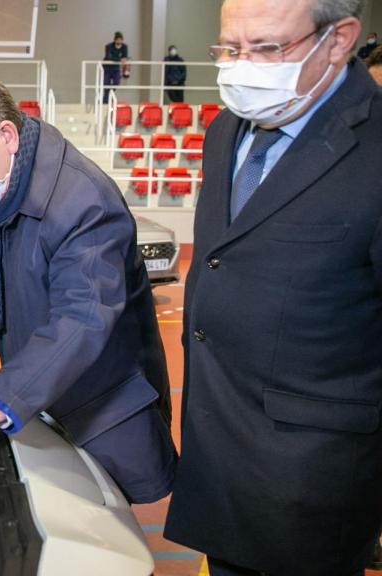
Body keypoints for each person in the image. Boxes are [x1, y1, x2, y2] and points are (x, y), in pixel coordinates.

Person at [163, 0, 382, 574]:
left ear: (338, 40)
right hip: (219, 452)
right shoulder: (225, 131)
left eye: (265, 49)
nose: (241, 68)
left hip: (314, 482)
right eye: (229, 50)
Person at [0, 72, 176, 505]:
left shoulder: (82, 202)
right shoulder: (13, 176)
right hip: (50, 391)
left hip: (103, 408)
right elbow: (4, 245)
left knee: (103, 536)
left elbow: (83, 318)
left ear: (6, 135)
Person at [102, 32, 129, 103]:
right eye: (117, 40)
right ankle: (105, 100)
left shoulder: (124, 47)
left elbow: (125, 57)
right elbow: (108, 57)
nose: (119, 41)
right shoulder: (109, 46)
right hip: (107, 68)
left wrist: (123, 60)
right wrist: (120, 60)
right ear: (115, 40)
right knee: (106, 84)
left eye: (120, 40)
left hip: (116, 68)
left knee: (117, 82)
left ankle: (108, 95)